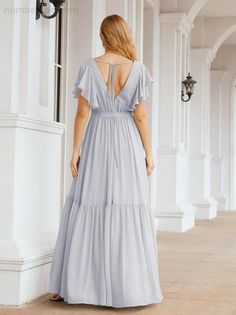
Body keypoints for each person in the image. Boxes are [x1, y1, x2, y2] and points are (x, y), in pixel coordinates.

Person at [48, 14, 163, 308]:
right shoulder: (137, 69)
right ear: (124, 34)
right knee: (128, 205)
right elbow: (141, 116)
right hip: (126, 141)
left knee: (88, 203)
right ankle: (130, 287)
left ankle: (78, 284)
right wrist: (148, 153)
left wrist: (75, 151)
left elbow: (83, 113)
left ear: (103, 35)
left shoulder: (90, 66)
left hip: (97, 138)